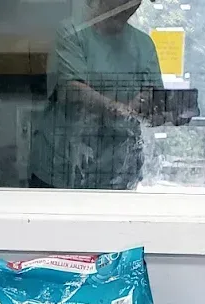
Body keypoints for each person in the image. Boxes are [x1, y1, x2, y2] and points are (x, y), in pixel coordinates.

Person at [29, 0, 164, 191]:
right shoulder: (71, 32)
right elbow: (73, 89)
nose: (129, 5)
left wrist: (145, 102)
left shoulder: (144, 44)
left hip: (117, 170)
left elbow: (154, 94)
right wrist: (117, 108)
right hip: (62, 165)